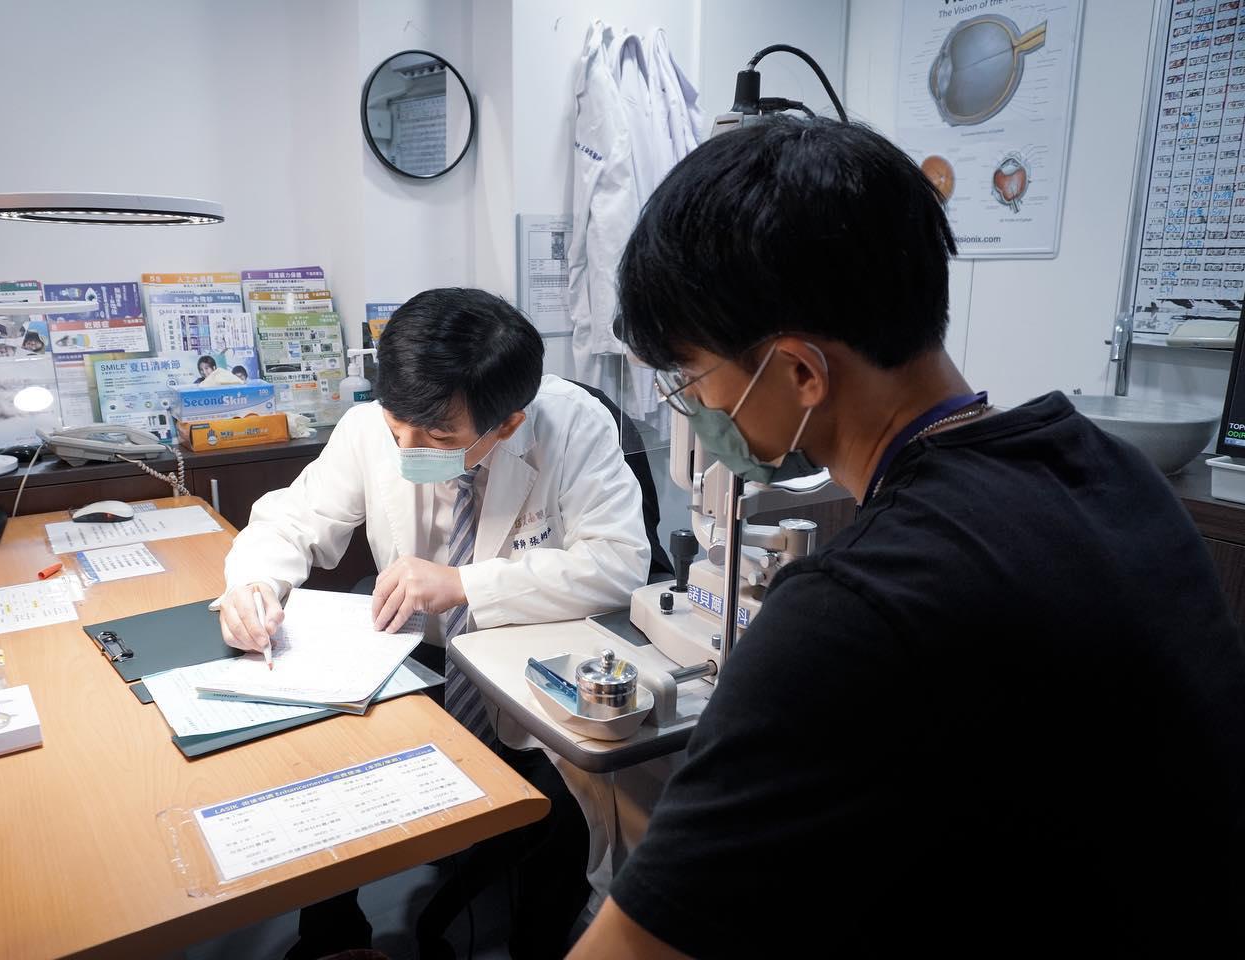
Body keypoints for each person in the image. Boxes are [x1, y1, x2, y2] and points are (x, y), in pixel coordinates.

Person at [568, 116, 1245, 958]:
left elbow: (630, 950)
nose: (696, 407)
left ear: (800, 371)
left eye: (694, 377)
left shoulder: (853, 611)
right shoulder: (1114, 473)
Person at [219, 287, 651, 958]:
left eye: (439, 438)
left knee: (563, 816)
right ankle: (334, 939)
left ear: (507, 424)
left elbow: (618, 563)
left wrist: (464, 584)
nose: (409, 450)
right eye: (400, 428)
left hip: (530, 657)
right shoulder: (371, 427)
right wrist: (252, 586)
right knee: (321, 755)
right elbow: (292, 521)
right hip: (418, 648)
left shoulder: (573, 425)